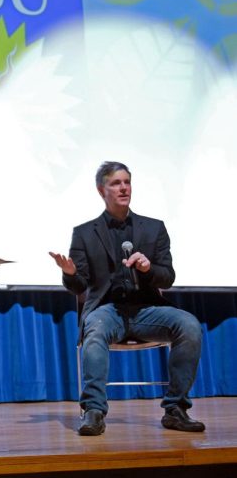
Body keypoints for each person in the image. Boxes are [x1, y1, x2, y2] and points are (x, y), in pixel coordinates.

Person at [49, 161, 204, 436]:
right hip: (108, 310)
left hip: (148, 310)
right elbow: (80, 285)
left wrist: (148, 269)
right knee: (94, 329)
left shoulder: (154, 228)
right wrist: (70, 273)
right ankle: (94, 411)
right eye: (115, 183)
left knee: (189, 325)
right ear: (101, 190)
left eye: (126, 182)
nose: (123, 188)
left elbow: (167, 277)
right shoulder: (84, 233)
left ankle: (176, 409)